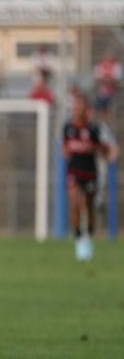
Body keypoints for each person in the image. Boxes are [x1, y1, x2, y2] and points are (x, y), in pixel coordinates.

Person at [63, 94, 117, 262]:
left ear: (86, 110)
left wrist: (101, 151)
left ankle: (89, 239)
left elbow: (106, 148)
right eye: (76, 107)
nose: (78, 110)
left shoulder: (94, 129)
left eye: (81, 107)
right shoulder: (68, 128)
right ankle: (79, 240)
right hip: (74, 171)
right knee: (75, 203)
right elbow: (66, 150)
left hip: (90, 172)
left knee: (88, 206)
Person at [93, 50, 122, 120]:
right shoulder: (100, 65)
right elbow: (98, 79)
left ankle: (109, 119)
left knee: (111, 105)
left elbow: (117, 79)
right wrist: (106, 81)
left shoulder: (117, 65)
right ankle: (102, 119)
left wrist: (108, 81)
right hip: (102, 92)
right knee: (99, 104)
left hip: (114, 92)